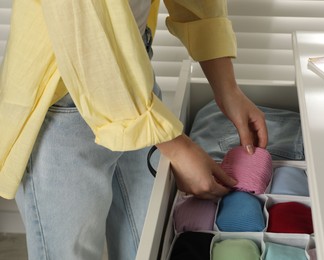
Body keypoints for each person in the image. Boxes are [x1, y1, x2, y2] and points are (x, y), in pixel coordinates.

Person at [0, 0, 268, 259]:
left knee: (147, 243)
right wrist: (176, 146)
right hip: (62, 97)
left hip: (134, 84)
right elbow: (86, 31)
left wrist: (226, 88)